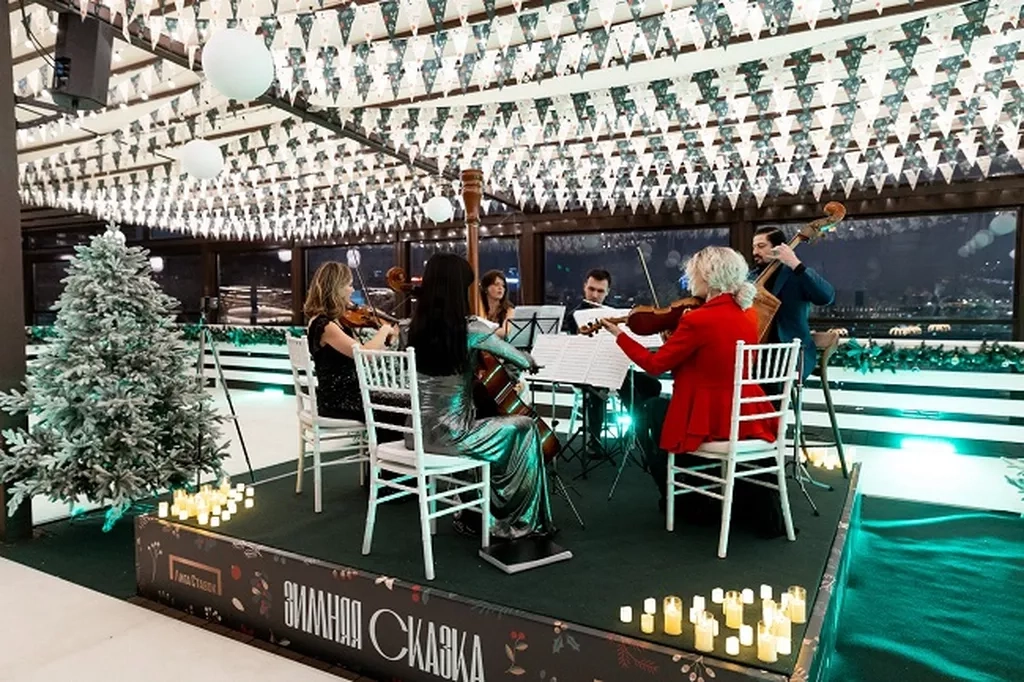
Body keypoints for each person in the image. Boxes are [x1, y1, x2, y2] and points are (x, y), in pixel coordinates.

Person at [600, 246, 780, 530]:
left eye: (692, 274)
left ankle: (682, 498)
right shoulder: (749, 315)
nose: (689, 280)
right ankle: (695, 494)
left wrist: (619, 335)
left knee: (651, 410)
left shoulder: (697, 319)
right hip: (746, 414)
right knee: (657, 409)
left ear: (707, 276)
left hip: (711, 419)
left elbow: (655, 365)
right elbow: (719, 359)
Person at [407, 253, 556, 540]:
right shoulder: (472, 330)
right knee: (526, 427)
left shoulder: (412, 329)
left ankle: (475, 510)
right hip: (453, 436)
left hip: (417, 434)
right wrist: (530, 360)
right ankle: (515, 518)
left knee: (487, 420)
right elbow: (522, 360)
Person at [563, 268, 661, 458]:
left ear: (607, 292)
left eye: (600, 291)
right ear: (584, 287)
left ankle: (634, 430)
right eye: (591, 289)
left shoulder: (614, 313)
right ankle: (595, 442)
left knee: (652, 385)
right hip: (588, 370)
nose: (595, 295)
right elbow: (577, 349)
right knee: (598, 390)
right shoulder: (575, 315)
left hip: (614, 367)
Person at [304, 262, 399, 421]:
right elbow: (364, 355)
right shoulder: (325, 325)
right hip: (339, 401)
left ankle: (381, 437)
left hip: (351, 394)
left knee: (402, 404)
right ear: (336, 289)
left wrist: (388, 339)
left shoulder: (337, 321)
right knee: (401, 409)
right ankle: (383, 438)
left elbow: (366, 353)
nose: (353, 290)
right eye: (349, 285)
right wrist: (383, 331)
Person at [751, 226, 835, 377]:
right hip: (756, 352)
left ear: (779, 248)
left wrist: (795, 263)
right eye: (754, 247)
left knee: (770, 381)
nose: (755, 252)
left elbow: (825, 297)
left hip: (789, 352)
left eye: (761, 246)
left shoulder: (797, 274)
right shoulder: (751, 278)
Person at [480, 269, 515, 338]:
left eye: (503, 286)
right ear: (486, 288)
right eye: (496, 284)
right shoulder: (479, 308)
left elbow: (505, 332)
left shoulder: (509, 310)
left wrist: (483, 331)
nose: (500, 288)